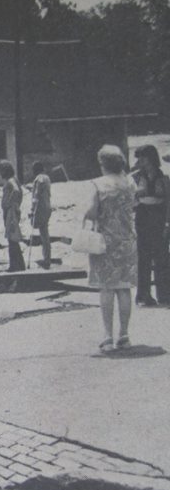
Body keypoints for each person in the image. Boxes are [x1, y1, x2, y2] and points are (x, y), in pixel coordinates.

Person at [84, 145, 137, 352]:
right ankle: (124, 335)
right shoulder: (129, 182)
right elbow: (135, 205)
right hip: (127, 240)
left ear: (103, 164)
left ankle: (107, 336)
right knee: (124, 288)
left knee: (106, 288)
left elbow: (92, 211)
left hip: (105, 242)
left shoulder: (97, 184)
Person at [132, 144, 169, 305]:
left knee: (162, 256)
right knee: (143, 257)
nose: (140, 160)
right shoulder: (134, 178)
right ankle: (143, 295)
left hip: (159, 217)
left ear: (151, 158)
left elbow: (168, 201)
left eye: (143, 157)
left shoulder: (163, 177)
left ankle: (164, 294)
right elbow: (130, 201)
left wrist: (168, 223)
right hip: (143, 217)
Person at [0, 161, 26, 272]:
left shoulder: (10, 181)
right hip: (12, 210)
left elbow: (16, 190)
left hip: (11, 212)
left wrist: (9, 203)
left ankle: (15, 265)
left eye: (1, 171)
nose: (0, 173)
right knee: (12, 238)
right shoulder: (14, 179)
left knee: (12, 238)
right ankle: (18, 264)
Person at [31, 162, 53, 269]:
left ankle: (47, 259)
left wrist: (32, 209)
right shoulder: (47, 178)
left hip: (41, 208)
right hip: (47, 206)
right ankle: (46, 257)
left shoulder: (38, 179)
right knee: (45, 233)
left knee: (44, 234)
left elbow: (36, 195)